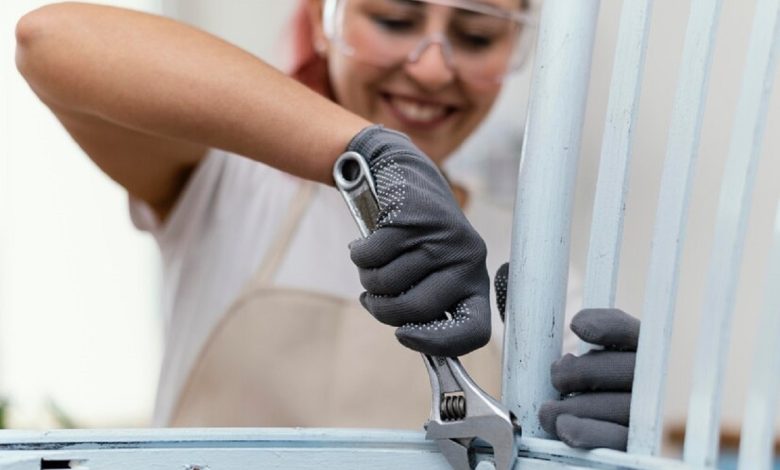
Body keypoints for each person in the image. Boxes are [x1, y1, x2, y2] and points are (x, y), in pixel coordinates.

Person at [15, 0, 635, 450]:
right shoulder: (227, 186)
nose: (431, 69)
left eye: (476, 35)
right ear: (321, 20)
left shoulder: (533, 271)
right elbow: (48, 38)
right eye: (394, 20)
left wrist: (612, 426)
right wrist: (366, 154)